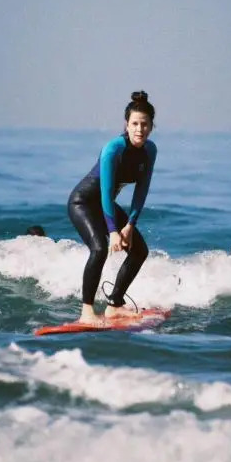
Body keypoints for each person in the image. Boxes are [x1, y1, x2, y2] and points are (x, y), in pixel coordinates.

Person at [67, 91, 157, 325]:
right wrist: (113, 231)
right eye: (135, 124)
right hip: (83, 202)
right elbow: (105, 193)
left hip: (103, 205)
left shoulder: (150, 151)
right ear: (126, 125)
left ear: (151, 126)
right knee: (99, 249)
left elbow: (142, 190)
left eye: (144, 124)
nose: (139, 129)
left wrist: (130, 225)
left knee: (139, 251)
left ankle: (114, 305)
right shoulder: (113, 149)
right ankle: (87, 311)